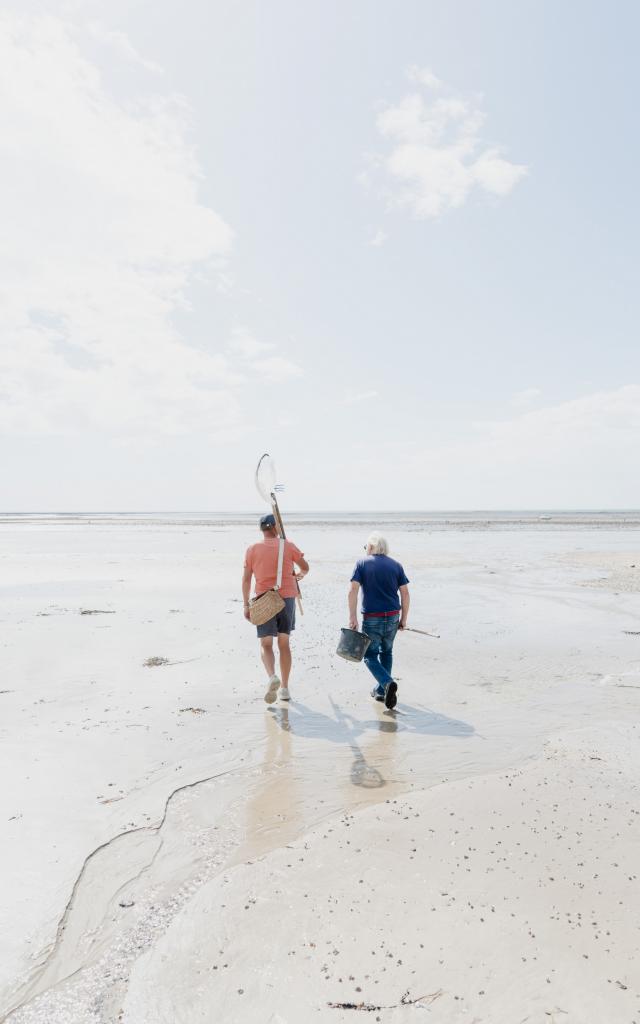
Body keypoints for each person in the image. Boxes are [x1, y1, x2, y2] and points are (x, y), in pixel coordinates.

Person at [243, 513, 309, 703]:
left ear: (263, 529)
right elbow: (305, 567)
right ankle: (285, 689)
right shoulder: (287, 545)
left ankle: (272, 676)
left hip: (263, 599)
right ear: (274, 527)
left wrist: (246, 604)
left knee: (265, 645)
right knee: (284, 644)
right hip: (287, 598)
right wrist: (298, 575)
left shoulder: (252, 549)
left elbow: (246, 579)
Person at [348, 532, 410, 709]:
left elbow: (352, 590)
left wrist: (352, 617)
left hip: (372, 617)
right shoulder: (396, 565)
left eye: (366, 546)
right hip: (392, 616)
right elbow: (405, 593)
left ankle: (387, 683)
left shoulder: (362, 563)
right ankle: (382, 691)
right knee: (387, 652)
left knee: (369, 655)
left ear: (371, 546)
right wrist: (404, 619)